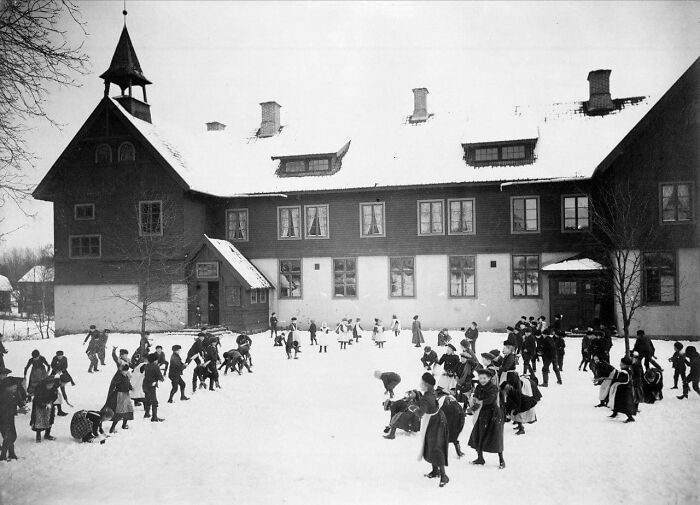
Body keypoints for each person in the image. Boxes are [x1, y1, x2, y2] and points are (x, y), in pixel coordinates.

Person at [414, 372, 450, 487]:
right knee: (431, 445)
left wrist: (413, 407)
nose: (420, 384)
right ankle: (435, 471)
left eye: (422, 383)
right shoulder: (431, 392)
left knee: (435, 447)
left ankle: (444, 475)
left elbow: (420, 413)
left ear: (427, 385)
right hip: (437, 419)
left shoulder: (426, 397)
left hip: (434, 423)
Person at [468, 368, 505, 469]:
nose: (482, 380)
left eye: (484, 378)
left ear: (489, 378)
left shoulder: (493, 388)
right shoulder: (478, 387)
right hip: (482, 414)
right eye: (480, 378)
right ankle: (480, 458)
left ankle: (501, 460)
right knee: (479, 434)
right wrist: (473, 403)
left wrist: (477, 403)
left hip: (493, 415)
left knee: (495, 437)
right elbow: (476, 397)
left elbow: (489, 400)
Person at [0, 368, 27, 461]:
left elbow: (17, 398)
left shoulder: (12, 392)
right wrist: (17, 412)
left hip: (10, 418)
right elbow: (3, 411)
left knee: (10, 436)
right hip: (2, 419)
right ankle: (3, 456)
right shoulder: (2, 396)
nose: (15, 389)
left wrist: (22, 405)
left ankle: (11, 454)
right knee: (9, 436)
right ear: (8, 387)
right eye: (14, 387)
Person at [104, 364, 133, 433]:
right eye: (124, 371)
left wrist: (130, 387)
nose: (125, 372)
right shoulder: (118, 376)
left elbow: (128, 383)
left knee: (128, 411)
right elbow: (113, 385)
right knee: (119, 413)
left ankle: (124, 425)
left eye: (126, 371)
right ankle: (112, 428)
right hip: (120, 396)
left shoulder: (126, 376)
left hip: (126, 395)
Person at [606, 357, 637, 422]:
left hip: (624, 392)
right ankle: (615, 413)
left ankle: (630, 418)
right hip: (622, 390)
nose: (620, 364)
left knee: (625, 405)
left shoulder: (624, 372)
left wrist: (613, 378)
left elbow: (620, 379)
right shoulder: (627, 371)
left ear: (626, 365)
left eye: (622, 363)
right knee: (616, 402)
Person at [30, 377, 60, 442]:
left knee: (50, 419)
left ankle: (47, 434)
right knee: (39, 420)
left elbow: (55, 397)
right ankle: (38, 436)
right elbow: (37, 399)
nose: (50, 386)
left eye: (51, 385)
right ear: (45, 384)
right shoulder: (40, 389)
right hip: (39, 406)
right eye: (49, 385)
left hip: (49, 405)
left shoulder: (54, 389)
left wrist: (50, 402)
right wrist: (43, 404)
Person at [143, 353, 165, 422]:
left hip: (145, 385)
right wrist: (162, 379)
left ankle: (146, 413)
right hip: (151, 385)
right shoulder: (155, 366)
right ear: (154, 360)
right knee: (154, 402)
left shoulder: (146, 365)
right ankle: (154, 417)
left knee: (147, 399)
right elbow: (160, 376)